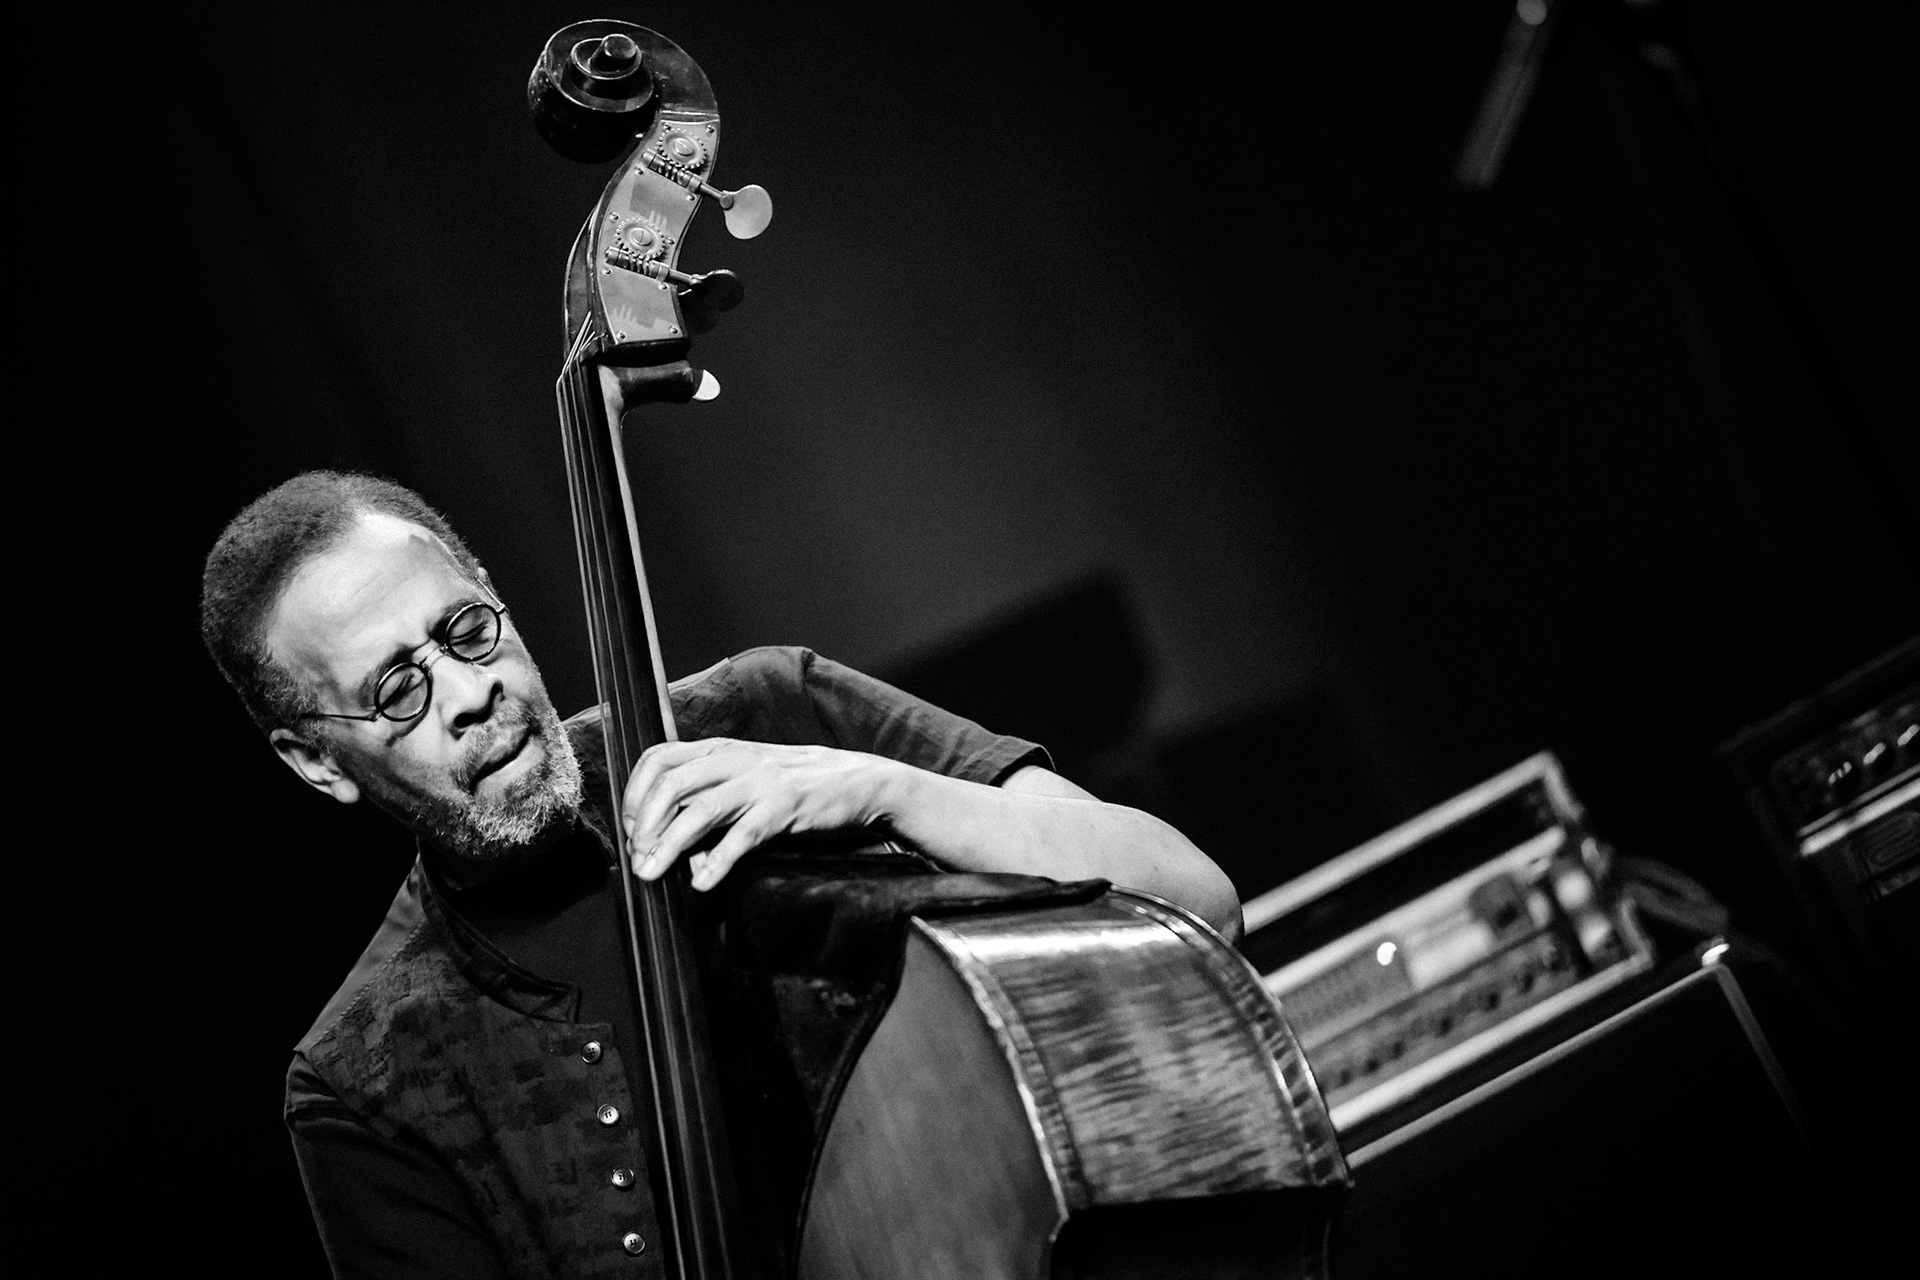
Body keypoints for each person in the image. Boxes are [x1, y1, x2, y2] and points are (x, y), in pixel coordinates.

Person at [201, 470, 1242, 1278]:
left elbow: (1192, 903)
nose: (471, 694)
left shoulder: (771, 710)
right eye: (397, 688)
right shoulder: (363, 1084)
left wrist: (890, 792)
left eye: (468, 629)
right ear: (316, 760)